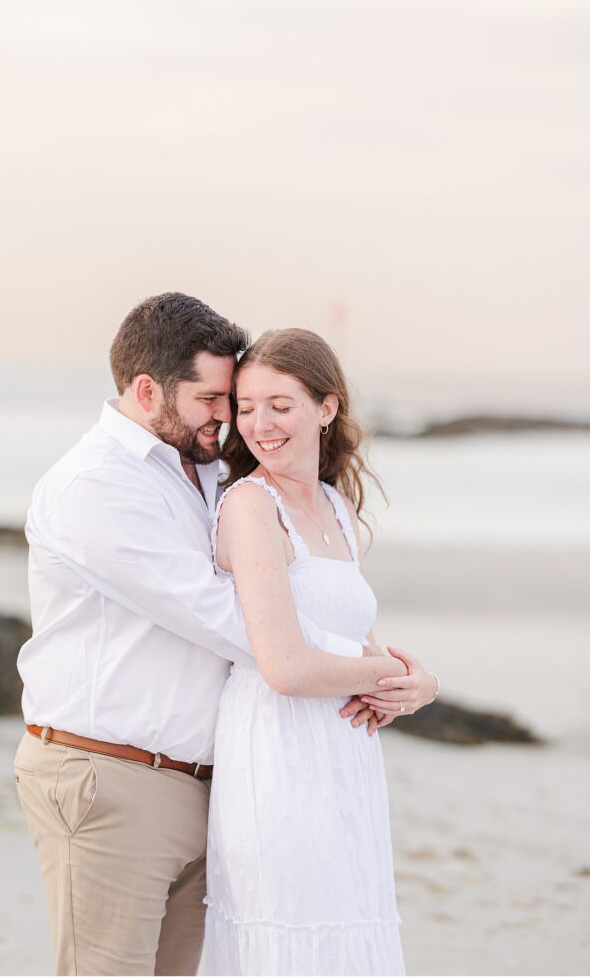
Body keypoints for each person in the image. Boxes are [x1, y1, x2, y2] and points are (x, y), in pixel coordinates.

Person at [13, 293, 423, 977]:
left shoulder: (202, 468)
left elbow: (290, 592)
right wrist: (383, 671)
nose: (227, 419)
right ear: (148, 390)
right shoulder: (95, 486)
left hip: (208, 780)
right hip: (110, 774)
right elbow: (231, 619)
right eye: (212, 398)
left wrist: (372, 664)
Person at [203, 328, 439, 976]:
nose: (259, 424)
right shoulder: (250, 507)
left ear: (326, 408)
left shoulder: (335, 504)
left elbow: (356, 642)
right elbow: (283, 666)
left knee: (347, 934)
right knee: (289, 942)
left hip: (344, 758)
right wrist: (387, 672)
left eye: (280, 405)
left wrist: (419, 685)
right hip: (276, 753)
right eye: (245, 408)